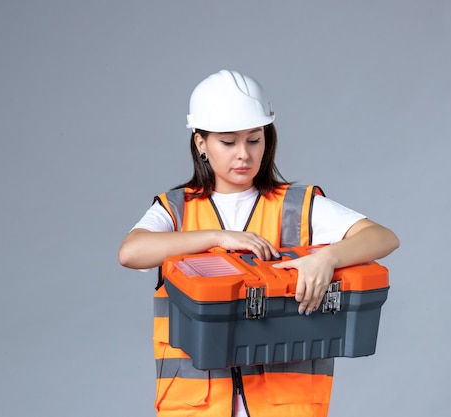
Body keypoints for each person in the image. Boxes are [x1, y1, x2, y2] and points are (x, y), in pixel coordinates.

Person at [118, 69, 400, 417]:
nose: (244, 154)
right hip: (195, 406)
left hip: (284, 405)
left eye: (254, 139)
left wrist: (327, 259)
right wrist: (217, 237)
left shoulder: (297, 206)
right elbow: (131, 252)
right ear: (201, 143)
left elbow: (382, 237)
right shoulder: (176, 210)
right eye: (228, 141)